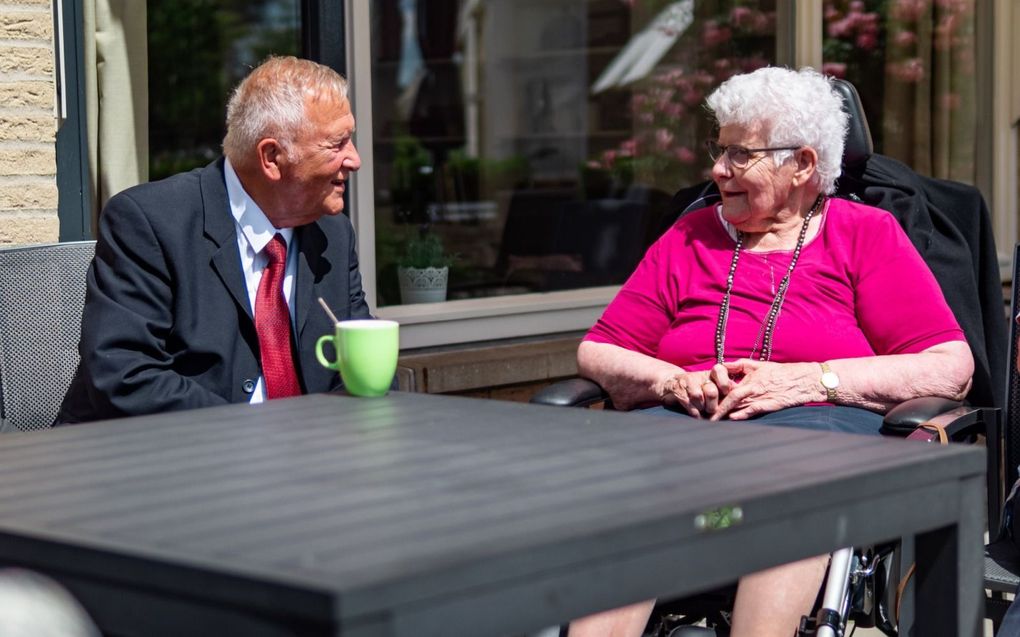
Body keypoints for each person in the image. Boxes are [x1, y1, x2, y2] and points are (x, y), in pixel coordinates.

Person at [570, 67, 973, 637]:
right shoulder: (688, 237)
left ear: (803, 165)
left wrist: (808, 382)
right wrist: (671, 381)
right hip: (678, 439)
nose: (717, 169)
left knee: (787, 492)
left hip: (810, 440)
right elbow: (600, 349)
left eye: (740, 154)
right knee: (624, 488)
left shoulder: (865, 233)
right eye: (719, 149)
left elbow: (948, 365)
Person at [56, 56, 369, 424]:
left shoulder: (332, 233)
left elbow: (362, 362)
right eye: (338, 144)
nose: (355, 160)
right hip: (163, 460)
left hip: (305, 463)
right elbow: (124, 374)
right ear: (271, 157)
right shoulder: (150, 223)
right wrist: (259, 437)